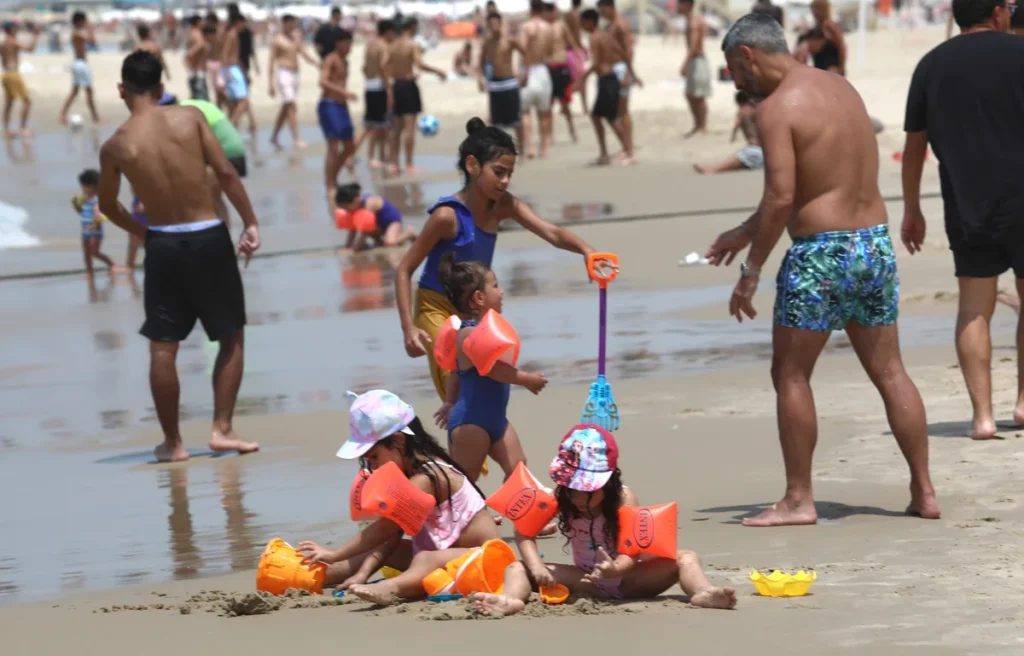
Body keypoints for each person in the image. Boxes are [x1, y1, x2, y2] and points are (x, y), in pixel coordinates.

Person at [704, 13, 940, 526]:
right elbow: (821, 183)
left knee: (790, 373)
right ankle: (924, 491)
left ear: (747, 55)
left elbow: (782, 195)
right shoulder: (841, 88)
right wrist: (746, 230)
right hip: (873, 245)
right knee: (890, 372)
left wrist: (751, 270)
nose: (736, 83)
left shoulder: (775, 109)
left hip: (820, 256)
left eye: (734, 71)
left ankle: (797, 499)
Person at [97, 51, 261, 463]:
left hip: (163, 243)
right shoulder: (190, 118)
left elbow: (109, 205)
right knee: (230, 334)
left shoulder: (116, 144)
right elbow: (225, 173)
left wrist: (144, 233)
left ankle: (173, 444)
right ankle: (222, 429)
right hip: (208, 235)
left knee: (163, 346)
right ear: (162, 88)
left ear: (122, 89)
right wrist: (250, 222)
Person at [394, 118, 608, 421]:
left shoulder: (504, 206)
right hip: (435, 307)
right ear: (472, 165)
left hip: (472, 308)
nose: (505, 181)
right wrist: (408, 328)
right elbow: (404, 270)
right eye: (498, 172)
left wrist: (588, 251)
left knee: (484, 374)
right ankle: (467, 448)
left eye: (509, 173)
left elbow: (552, 232)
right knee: (458, 381)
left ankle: (478, 447)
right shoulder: (447, 217)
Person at [901, 0, 1024, 439]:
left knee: (974, 309)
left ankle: (983, 418)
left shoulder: (932, 65)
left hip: (968, 203)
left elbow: (915, 144)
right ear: (995, 11)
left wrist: (912, 207)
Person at [471, 424, 738, 616]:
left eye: (586, 489)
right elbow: (524, 533)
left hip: (631, 579)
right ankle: (509, 600)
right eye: (571, 487)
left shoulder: (624, 498)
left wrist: (617, 569)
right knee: (518, 568)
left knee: (686, 557)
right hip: (586, 579)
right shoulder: (556, 498)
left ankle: (703, 592)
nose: (576, 496)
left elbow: (633, 549)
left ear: (608, 482)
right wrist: (537, 565)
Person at [297, 389, 501, 606]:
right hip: (449, 556)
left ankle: (390, 588)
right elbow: (391, 538)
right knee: (386, 552)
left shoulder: (427, 477)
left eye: (374, 457)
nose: (373, 466)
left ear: (397, 441)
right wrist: (363, 573)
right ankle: (314, 576)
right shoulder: (410, 474)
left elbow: (387, 527)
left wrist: (334, 553)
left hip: (484, 559)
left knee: (423, 559)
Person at [434, 252, 548, 483]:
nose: (501, 291)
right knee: (465, 482)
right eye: (495, 286)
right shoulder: (468, 332)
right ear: (478, 298)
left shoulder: (483, 331)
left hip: (496, 419)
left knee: (518, 468)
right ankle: (461, 517)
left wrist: (448, 400)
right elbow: (491, 369)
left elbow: (456, 372)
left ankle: (516, 515)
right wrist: (526, 379)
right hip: (471, 423)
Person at [387, 17, 446, 177]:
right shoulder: (412, 44)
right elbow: (419, 64)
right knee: (410, 129)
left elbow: (386, 66)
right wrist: (438, 71)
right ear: (412, 27)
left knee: (396, 130)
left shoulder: (392, 45)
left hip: (396, 85)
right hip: (408, 87)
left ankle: (394, 164)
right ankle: (409, 164)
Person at [577, 9, 630, 166]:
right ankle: (607, 152)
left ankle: (625, 150)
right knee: (600, 116)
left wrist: (582, 79)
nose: (581, 26)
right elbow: (620, 52)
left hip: (607, 79)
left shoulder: (595, 37)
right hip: (609, 78)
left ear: (590, 22)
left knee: (611, 117)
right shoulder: (605, 34)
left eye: (582, 23)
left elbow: (596, 62)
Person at [345, 19, 396, 171]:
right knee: (373, 126)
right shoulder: (384, 46)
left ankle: (377, 156)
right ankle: (367, 157)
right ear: (388, 31)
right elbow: (383, 66)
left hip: (369, 85)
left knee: (376, 124)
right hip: (380, 86)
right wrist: (388, 89)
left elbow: (364, 68)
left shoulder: (370, 44)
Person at [319, 28, 358, 218]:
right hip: (329, 105)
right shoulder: (331, 59)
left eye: (351, 43)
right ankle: (330, 184)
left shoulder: (345, 61)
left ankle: (333, 175)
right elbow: (323, 81)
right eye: (347, 43)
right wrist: (344, 93)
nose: (350, 47)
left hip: (341, 107)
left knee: (350, 146)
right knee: (333, 146)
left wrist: (344, 97)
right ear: (338, 43)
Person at [597, 0, 641, 163]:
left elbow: (629, 50)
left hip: (621, 69)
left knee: (623, 112)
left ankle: (630, 152)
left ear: (609, 7)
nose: (601, 13)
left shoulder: (621, 25)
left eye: (602, 9)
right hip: (613, 70)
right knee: (616, 111)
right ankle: (626, 148)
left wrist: (628, 73)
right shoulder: (609, 26)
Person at [268, 14, 317, 151]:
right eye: (290, 24)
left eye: (293, 24)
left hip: (295, 74)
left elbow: (302, 51)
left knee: (286, 107)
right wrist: (270, 83)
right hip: (284, 73)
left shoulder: (296, 36)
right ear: (283, 24)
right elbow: (271, 61)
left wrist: (314, 62)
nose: (292, 26)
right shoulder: (277, 39)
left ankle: (274, 136)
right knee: (291, 106)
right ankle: (297, 139)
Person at [478, 11, 524, 148]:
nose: (494, 27)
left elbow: (526, 54)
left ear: (501, 24)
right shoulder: (487, 44)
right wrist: (480, 79)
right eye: (491, 24)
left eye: (497, 23)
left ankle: (522, 149)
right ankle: (502, 151)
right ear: (488, 26)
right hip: (495, 84)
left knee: (515, 121)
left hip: (509, 82)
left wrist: (523, 73)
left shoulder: (510, 40)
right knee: (497, 122)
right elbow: (480, 63)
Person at [518, 1, 555, 160]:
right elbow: (550, 51)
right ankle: (543, 150)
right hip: (543, 70)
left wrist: (523, 72)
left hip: (530, 69)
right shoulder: (548, 28)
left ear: (530, 9)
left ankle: (530, 147)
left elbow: (523, 50)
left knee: (525, 112)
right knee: (544, 113)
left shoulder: (526, 27)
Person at [335, 182, 418, 251]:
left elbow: (365, 231)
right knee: (380, 244)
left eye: (346, 207)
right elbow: (352, 229)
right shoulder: (354, 208)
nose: (346, 211)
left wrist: (355, 250)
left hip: (392, 222)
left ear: (354, 200)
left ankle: (409, 233)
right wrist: (347, 246)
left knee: (390, 243)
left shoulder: (369, 204)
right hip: (377, 225)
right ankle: (381, 241)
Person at [694, 91, 761, 174]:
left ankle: (714, 169)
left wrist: (733, 135)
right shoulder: (755, 110)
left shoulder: (742, 111)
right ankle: (715, 168)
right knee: (742, 157)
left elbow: (736, 124)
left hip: (754, 148)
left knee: (740, 155)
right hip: (762, 149)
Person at [544, 2, 581, 143]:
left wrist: (578, 62)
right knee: (549, 104)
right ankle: (550, 135)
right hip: (549, 67)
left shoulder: (561, 25)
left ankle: (572, 131)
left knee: (565, 103)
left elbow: (571, 42)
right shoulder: (543, 27)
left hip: (561, 67)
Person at [59, 12, 100, 127]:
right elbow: (92, 41)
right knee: (88, 91)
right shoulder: (76, 34)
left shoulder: (77, 33)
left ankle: (63, 114)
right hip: (80, 64)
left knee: (76, 91)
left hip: (80, 63)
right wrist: (90, 28)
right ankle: (95, 117)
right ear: (80, 21)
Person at [73, 168, 117, 277]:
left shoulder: (97, 201)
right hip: (85, 229)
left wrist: (94, 225)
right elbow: (81, 212)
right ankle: (89, 271)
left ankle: (111, 264)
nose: (83, 189)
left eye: (84, 186)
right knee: (86, 252)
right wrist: (75, 204)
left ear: (93, 186)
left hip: (95, 231)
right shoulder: (85, 200)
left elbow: (100, 217)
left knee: (94, 251)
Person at [678, 0, 711, 137]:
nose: (678, 7)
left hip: (697, 60)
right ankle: (698, 125)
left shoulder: (693, 22)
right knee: (691, 95)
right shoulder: (694, 20)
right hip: (695, 60)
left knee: (698, 96)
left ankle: (702, 126)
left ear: (686, 5)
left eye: (680, 4)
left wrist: (685, 63)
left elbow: (693, 45)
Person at [2, 21, 39, 140]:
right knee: (27, 102)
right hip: (13, 74)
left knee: (9, 103)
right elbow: (31, 49)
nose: (16, 30)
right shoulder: (13, 42)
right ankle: (22, 128)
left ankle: (6, 130)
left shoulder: (2, 43)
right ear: (11, 30)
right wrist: (35, 36)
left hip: (5, 74)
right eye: (15, 28)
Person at [794, 0, 845, 76]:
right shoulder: (814, 30)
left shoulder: (830, 26)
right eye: (815, 8)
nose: (816, 12)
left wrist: (841, 68)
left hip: (831, 69)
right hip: (820, 68)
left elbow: (842, 47)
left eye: (819, 8)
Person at [221, 14, 250, 128]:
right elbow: (225, 54)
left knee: (233, 104)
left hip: (235, 68)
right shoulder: (232, 35)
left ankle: (233, 130)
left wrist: (244, 72)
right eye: (243, 24)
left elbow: (236, 57)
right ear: (238, 23)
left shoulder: (235, 35)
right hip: (231, 69)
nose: (244, 27)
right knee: (243, 101)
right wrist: (228, 72)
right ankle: (232, 128)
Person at [564, 0, 589, 117]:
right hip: (574, 50)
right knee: (581, 79)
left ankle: (566, 105)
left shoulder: (568, 14)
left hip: (569, 49)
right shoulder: (575, 15)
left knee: (572, 79)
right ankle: (584, 107)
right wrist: (582, 48)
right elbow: (576, 34)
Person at [204, 13, 227, 109]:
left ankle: (230, 107)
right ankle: (219, 109)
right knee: (217, 91)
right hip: (211, 63)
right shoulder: (207, 33)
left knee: (220, 89)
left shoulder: (220, 32)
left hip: (220, 62)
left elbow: (224, 47)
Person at [184, 15, 209, 101]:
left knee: (195, 96)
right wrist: (190, 53)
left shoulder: (191, 32)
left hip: (194, 70)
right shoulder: (196, 32)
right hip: (198, 71)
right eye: (201, 21)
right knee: (202, 98)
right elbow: (200, 44)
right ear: (198, 22)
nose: (203, 23)